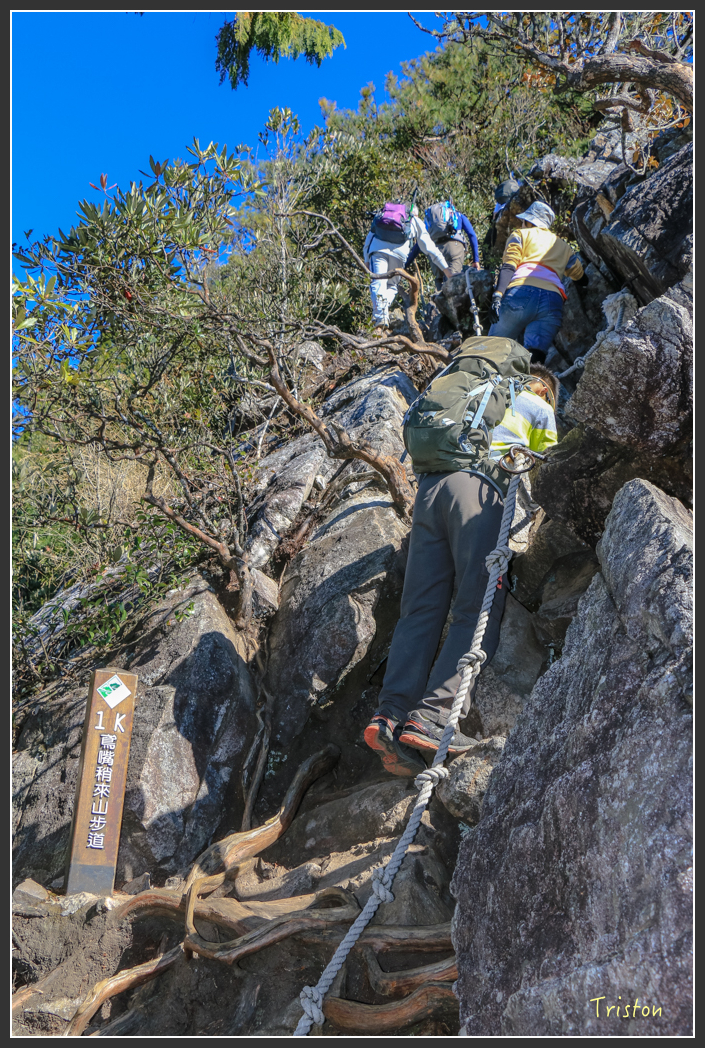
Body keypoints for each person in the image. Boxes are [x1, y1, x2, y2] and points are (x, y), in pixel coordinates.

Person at [363, 362, 560, 777]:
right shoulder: (537, 401)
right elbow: (549, 470)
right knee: (476, 607)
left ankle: (389, 716)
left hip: (432, 490)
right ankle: (434, 716)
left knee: (419, 610)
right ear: (545, 388)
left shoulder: (480, 392)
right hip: (478, 492)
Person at [488, 200, 586, 363]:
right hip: (552, 301)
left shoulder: (520, 234)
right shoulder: (563, 246)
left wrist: (498, 295)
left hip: (521, 293)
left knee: (494, 348)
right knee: (534, 360)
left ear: (528, 221)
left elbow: (509, 266)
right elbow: (580, 277)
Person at [363, 203, 453, 334]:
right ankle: (381, 315)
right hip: (399, 255)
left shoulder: (384, 216)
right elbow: (430, 248)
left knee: (378, 281)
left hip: (377, 250)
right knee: (392, 286)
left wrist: (366, 259)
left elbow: (370, 237)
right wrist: (446, 270)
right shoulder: (414, 220)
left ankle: (379, 317)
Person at [405, 201, 482, 290]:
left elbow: (419, 245)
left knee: (440, 284)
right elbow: (472, 235)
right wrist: (476, 260)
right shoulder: (458, 215)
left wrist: (404, 265)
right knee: (452, 283)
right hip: (454, 249)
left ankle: (439, 301)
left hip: (435, 250)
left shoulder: (429, 223)